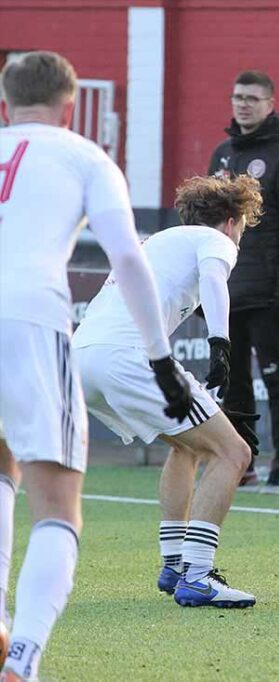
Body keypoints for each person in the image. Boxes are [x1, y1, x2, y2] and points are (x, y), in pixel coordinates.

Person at [0, 51, 189, 680]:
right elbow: (130, 261)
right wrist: (161, 359)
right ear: (71, 103)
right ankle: (21, 661)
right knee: (56, 506)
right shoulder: (84, 156)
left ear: (6, 103)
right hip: (31, 322)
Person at [73, 175, 265, 608]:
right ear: (232, 220)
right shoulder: (215, 240)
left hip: (81, 357)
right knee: (234, 453)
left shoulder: (158, 241)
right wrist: (222, 347)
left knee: (186, 446)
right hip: (125, 357)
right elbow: (216, 280)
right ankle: (198, 576)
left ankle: (175, 562)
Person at [208, 70, 279, 495]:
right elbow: (203, 223)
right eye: (237, 96)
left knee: (277, 380)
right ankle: (243, 462)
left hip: (269, 294)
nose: (243, 104)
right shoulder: (222, 152)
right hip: (226, 292)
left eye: (252, 97)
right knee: (232, 382)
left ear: (271, 104)